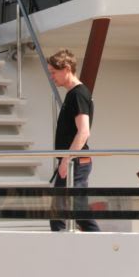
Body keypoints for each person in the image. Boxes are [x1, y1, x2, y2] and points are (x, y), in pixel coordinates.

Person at [48, 48, 96, 232]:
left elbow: (83, 132)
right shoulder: (75, 94)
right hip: (75, 162)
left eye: (54, 72)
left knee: (60, 214)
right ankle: (102, 250)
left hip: (75, 163)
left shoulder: (78, 94)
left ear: (66, 68)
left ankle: (64, 255)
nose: (52, 77)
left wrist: (66, 160)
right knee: (77, 213)